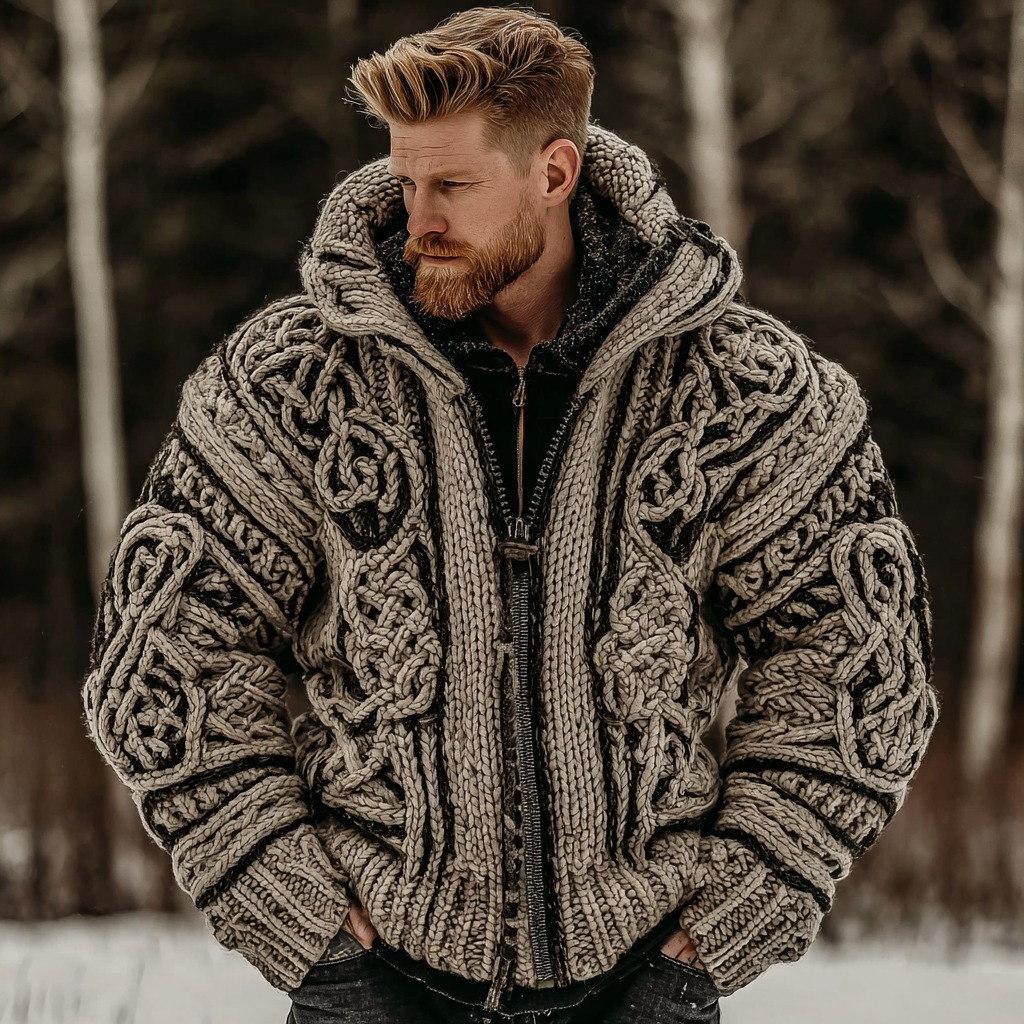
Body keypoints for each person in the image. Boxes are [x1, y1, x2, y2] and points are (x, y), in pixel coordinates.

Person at [82, 6, 939, 1023]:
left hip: (645, 982)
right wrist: (290, 907)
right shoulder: (287, 383)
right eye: (405, 182)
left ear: (554, 172)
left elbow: (856, 656)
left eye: (452, 186)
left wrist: (744, 900)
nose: (418, 219)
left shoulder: (744, 389)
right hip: (374, 980)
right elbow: (166, 650)